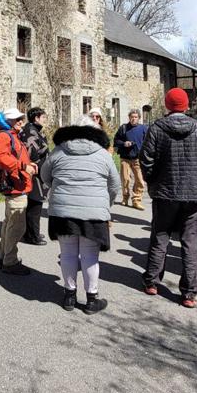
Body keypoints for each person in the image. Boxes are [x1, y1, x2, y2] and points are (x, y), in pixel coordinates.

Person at [140, 88, 197, 308]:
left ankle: (152, 282)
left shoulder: (156, 129)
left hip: (165, 193)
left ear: (167, 105)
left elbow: (146, 159)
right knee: (190, 243)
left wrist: (153, 182)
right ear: (186, 106)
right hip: (193, 195)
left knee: (160, 237)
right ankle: (189, 293)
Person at [41, 115, 121, 313]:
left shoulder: (59, 151)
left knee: (67, 253)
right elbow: (114, 185)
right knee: (90, 256)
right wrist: (106, 203)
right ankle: (91, 299)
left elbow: (44, 175)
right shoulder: (103, 154)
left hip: (63, 211)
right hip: (93, 212)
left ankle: (69, 296)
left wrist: (59, 189)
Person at [0, 108, 37, 275]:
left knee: (9, 223)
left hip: (17, 184)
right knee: (17, 226)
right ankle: (10, 262)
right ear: (8, 121)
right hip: (15, 186)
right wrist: (23, 166)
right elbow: (1, 157)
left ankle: (3, 255)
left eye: (21, 118)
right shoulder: (5, 136)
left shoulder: (11, 134)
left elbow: (15, 156)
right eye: (16, 119)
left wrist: (28, 164)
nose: (21, 121)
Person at [20, 107, 49, 246]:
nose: (45, 120)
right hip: (34, 174)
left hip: (37, 172)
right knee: (35, 205)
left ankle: (29, 232)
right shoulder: (30, 132)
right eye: (43, 117)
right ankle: (32, 236)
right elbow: (32, 155)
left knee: (34, 204)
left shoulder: (33, 130)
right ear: (36, 118)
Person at [113, 108, 148, 210]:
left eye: (136, 117)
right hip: (125, 158)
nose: (133, 119)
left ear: (139, 118)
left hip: (138, 158)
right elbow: (116, 141)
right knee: (125, 179)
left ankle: (136, 200)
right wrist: (124, 143)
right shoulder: (123, 128)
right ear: (129, 117)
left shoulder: (143, 129)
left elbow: (148, 142)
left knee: (140, 180)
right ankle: (125, 197)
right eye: (132, 117)